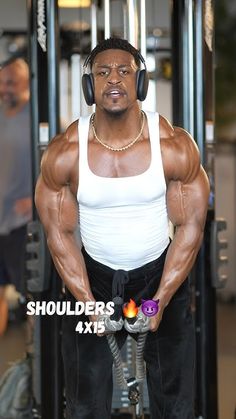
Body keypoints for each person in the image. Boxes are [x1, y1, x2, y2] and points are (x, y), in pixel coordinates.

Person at [35, 38, 210, 419]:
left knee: (176, 402)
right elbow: (58, 236)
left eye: (124, 71)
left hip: (159, 274)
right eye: (102, 72)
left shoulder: (173, 146)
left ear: (140, 82)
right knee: (83, 404)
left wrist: (160, 299)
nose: (113, 79)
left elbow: (191, 227)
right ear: (89, 86)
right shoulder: (66, 151)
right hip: (93, 277)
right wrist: (87, 303)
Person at [0, 58, 32, 336]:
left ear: (26, 83)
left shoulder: (40, 116)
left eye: (10, 82)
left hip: (22, 223)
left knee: (30, 298)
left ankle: (36, 366)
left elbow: (61, 168)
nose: (4, 88)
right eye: (1, 82)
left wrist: (35, 201)